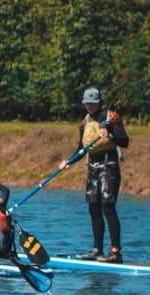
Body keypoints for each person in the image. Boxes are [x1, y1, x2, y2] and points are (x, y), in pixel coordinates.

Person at [61, 87, 130, 263]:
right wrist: (69, 161)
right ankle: (97, 249)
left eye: (93, 103)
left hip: (109, 165)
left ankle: (115, 252)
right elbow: (81, 148)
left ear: (99, 103)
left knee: (108, 206)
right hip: (92, 167)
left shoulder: (111, 117)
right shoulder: (84, 122)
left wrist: (111, 135)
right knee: (93, 206)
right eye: (87, 103)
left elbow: (125, 141)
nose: (90, 106)